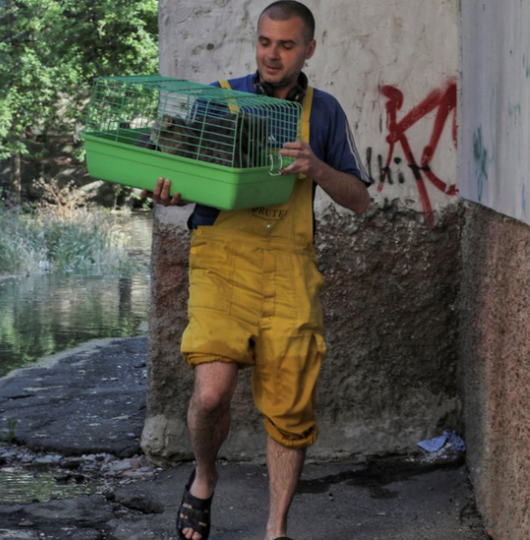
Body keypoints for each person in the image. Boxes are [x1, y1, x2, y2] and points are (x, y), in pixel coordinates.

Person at [142, 2, 371, 539]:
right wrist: (168, 189)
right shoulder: (219, 101)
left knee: (291, 408)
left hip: (290, 270)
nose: (272, 54)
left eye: (286, 45)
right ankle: (203, 477)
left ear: (309, 49)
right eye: (265, 41)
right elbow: (175, 174)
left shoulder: (327, 112)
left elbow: (359, 199)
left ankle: (276, 528)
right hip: (223, 262)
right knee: (211, 394)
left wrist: (317, 167)